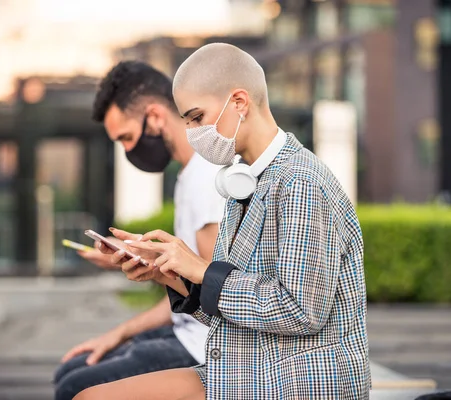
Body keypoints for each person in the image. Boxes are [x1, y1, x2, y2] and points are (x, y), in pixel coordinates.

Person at [75, 43, 371, 400]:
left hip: (293, 380)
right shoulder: (242, 181)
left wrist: (201, 269)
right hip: (246, 368)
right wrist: (170, 274)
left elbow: (299, 311)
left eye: (197, 118)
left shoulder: (301, 183)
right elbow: (232, 308)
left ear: (239, 103)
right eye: (186, 121)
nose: (192, 133)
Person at [52, 61, 226, 400]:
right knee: (72, 370)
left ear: (156, 117)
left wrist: (155, 266)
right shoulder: (189, 175)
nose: (129, 151)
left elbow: (215, 294)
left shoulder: (205, 179)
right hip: (186, 333)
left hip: (207, 349)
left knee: (74, 385)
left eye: (128, 138)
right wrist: (118, 334)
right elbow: (185, 299)